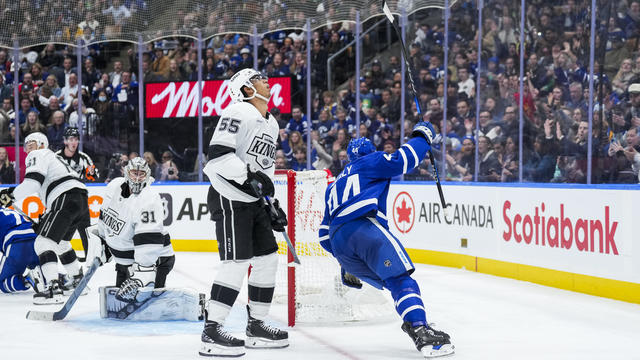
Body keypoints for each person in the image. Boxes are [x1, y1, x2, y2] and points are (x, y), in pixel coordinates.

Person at [318, 122, 454, 358]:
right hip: (364, 229)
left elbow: (323, 236)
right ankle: (421, 331)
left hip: (341, 247)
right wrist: (422, 136)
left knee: (393, 284)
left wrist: (345, 263)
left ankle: (414, 324)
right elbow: (405, 159)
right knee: (400, 280)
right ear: (370, 152)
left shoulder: (334, 184)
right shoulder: (371, 162)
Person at [201, 68, 288, 357]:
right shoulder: (237, 110)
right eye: (258, 78)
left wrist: (271, 203)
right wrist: (247, 176)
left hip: (253, 201)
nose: (266, 80)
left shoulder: (271, 123)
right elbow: (218, 156)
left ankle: (257, 325)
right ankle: (212, 330)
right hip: (228, 196)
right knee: (236, 262)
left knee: (267, 259)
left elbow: (265, 169)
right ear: (245, 89)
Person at [0, 132, 90, 304]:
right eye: (26, 144)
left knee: (42, 243)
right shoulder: (54, 159)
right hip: (80, 198)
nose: (28, 147)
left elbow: (33, 184)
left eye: (31, 143)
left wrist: (10, 195)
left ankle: (52, 289)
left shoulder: (38, 154)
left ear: (42, 143)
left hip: (65, 196)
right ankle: (78, 280)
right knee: (60, 243)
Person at [92, 157, 174, 299]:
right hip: (125, 262)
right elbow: (104, 216)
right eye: (134, 173)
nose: (137, 178)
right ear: (126, 173)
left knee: (143, 304)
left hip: (153, 262)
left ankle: (154, 289)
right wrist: (102, 240)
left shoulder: (149, 198)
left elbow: (149, 242)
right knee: (121, 306)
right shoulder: (114, 187)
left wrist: (142, 276)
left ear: (147, 175)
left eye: (141, 174)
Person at [0, 206, 43, 293]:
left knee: (3, 283)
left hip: (16, 244)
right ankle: (61, 278)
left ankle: (26, 281)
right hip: (36, 240)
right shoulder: (10, 210)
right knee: (45, 273)